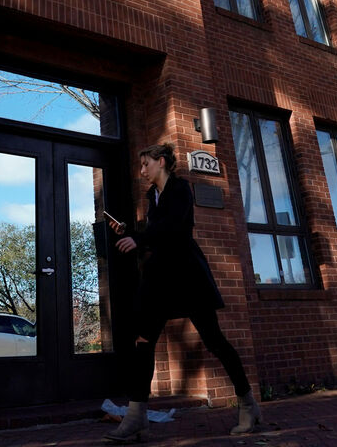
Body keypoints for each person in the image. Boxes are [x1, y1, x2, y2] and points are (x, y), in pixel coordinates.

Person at [104, 143, 261, 442]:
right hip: (159, 278)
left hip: (187, 277)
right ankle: (137, 416)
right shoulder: (153, 196)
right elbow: (154, 234)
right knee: (143, 341)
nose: (142, 170)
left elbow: (174, 229)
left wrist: (140, 238)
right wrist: (129, 233)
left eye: (145, 164)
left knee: (214, 340)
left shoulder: (180, 189)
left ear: (161, 162)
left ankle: (248, 404)